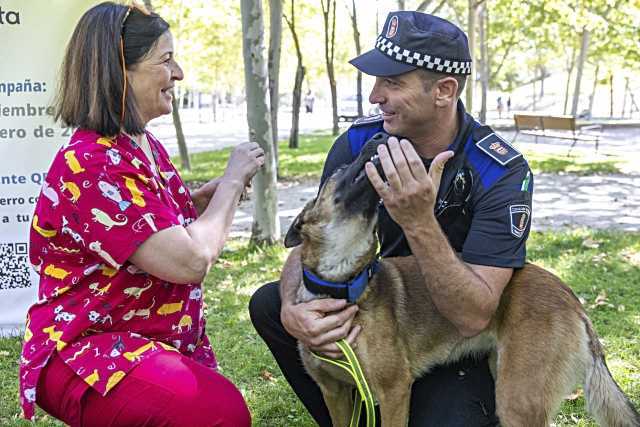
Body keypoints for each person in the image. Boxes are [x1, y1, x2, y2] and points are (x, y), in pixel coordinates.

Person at [249, 11, 533, 426]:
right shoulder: (360, 143)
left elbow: (475, 314)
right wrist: (294, 309)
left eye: (393, 82)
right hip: (374, 301)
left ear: (444, 90)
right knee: (270, 303)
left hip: (451, 331)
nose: (374, 96)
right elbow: (317, 233)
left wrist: (419, 221)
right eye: (376, 81)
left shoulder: (499, 171)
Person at [20, 3, 264, 426]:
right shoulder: (93, 162)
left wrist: (197, 205)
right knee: (218, 414)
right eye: (166, 60)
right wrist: (230, 181)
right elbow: (189, 261)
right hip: (86, 350)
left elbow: (149, 228)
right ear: (121, 70)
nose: (179, 73)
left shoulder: (139, 144)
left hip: (140, 339)